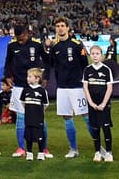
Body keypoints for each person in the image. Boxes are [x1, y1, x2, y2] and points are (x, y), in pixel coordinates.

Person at [3, 22, 46, 157]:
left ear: (27, 34)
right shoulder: (11, 46)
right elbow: (8, 62)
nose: (19, 41)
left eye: (21, 39)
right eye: (17, 39)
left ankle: (44, 148)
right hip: (19, 86)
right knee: (21, 118)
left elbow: (47, 60)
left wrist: (46, 77)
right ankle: (21, 148)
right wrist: (7, 76)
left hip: (35, 86)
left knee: (40, 118)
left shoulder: (37, 44)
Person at [48, 16, 87, 158]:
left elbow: (85, 65)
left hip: (77, 87)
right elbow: (51, 64)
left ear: (68, 28)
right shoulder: (55, 47)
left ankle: (98, 147)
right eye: (57, 26)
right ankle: (73, 149)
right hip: (62, 88)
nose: (60, 28)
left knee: (86, 116)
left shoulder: (77, 44)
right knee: (67, 117)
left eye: (62, 26)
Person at [82, 44, 114, 162]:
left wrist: (104, 104)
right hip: (93, 105)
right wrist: (91, 103)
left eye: (97, 54)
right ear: (90, 56)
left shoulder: (106, 70)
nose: (95, 56)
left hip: (104, 105)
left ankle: (109, 152)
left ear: (101, 55)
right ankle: (97, 152)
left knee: (106, 128)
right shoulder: (87, 70)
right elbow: (85, 87)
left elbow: (109, 88)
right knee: (95, 128)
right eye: (93, 54)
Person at [21, 68, 50, 160]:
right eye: (27, 76)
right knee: (28, 135)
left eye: (30, 77)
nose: (28, 78)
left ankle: (41, 153)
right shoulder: (25, 90)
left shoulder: (42, 91)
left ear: (37, 79)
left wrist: (39, 111)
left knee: (40, 135)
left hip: (38, 118)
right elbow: (22, 102)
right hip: (28, 118)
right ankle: (29, 153)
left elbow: (46, 104)